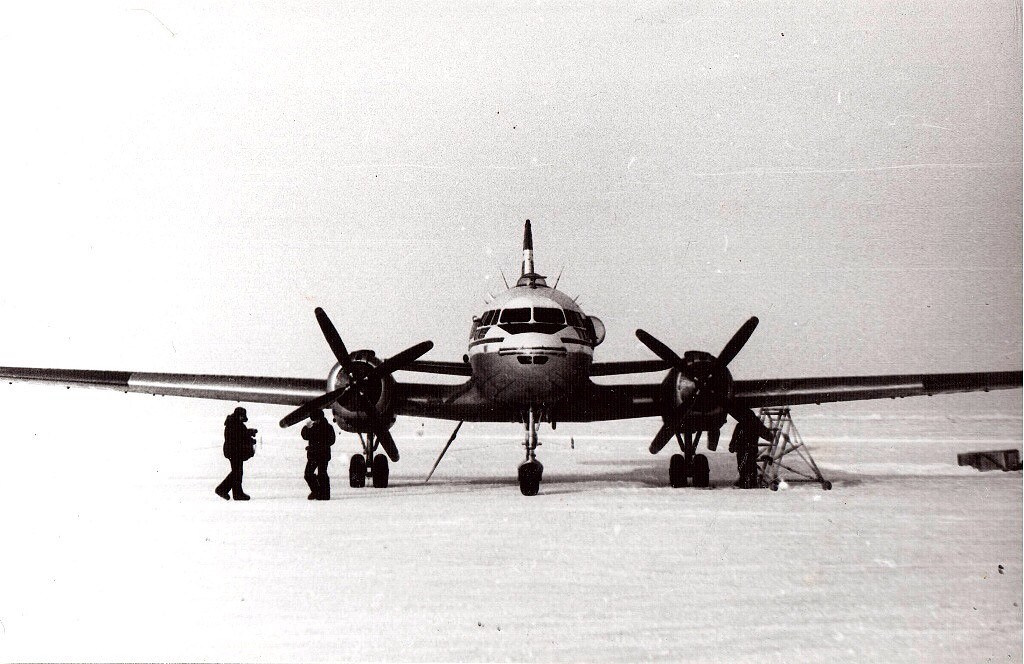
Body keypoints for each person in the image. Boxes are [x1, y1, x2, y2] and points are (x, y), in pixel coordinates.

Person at [215, 406, 256, 500]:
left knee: (237, 472)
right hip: (234, 452)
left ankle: (235, 492)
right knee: (237, 472)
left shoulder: (234, 423)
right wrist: (250, 437)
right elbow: (239, 437)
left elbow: (241, 434)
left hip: (234, 451)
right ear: (238, 415)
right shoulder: (234, 424)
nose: (242, 417)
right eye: (242, 416)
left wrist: (249, 434)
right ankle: (223, 490)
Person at [301, 410, 335, 500]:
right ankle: (316, 491)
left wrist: (319, 446)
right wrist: (306, 427)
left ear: (319, 418)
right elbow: (305, 436)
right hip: (313, 455)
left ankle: (325, 495)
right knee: (308, 474)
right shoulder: (312, 427)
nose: (314, 421)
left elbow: (332, 440)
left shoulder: (328, 427)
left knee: (322, 474)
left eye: (315, 419)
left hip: (323, 455)